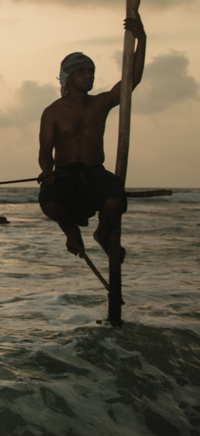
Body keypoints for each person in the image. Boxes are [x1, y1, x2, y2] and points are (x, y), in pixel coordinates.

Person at [37, 17, 147, 259]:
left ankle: (103, 234)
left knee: (115, 202)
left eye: (91, 71)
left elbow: (132, 80)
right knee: (50, 203)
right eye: (82, 72)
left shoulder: (101, 103)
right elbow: (45, 151)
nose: (89, 76)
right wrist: (48, 172)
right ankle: (71, 231)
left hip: (95, 172)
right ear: (68, 77)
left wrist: (142, 38)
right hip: (65, 173)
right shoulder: (53, 112)